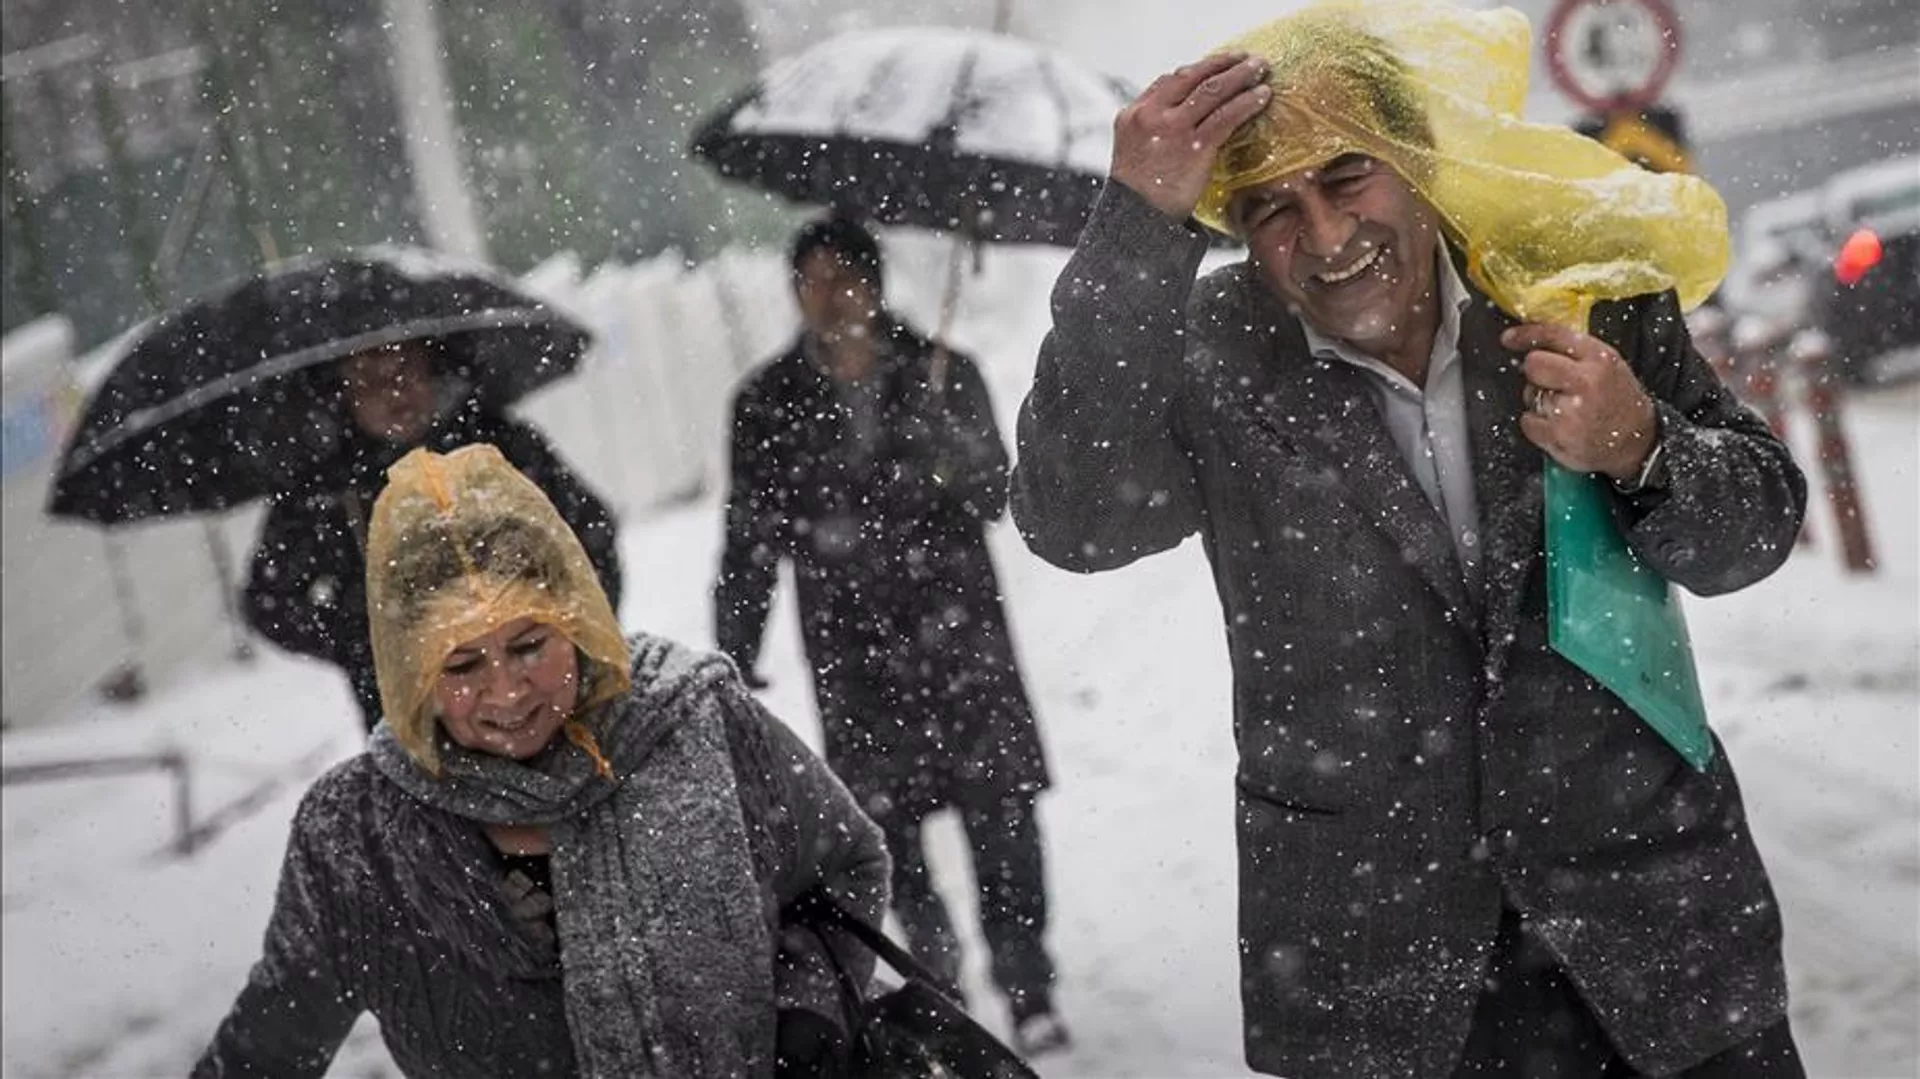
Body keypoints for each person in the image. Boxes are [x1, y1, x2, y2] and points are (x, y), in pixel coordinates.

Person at [1011, 7, 1809, 1077]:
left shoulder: (1575, 287)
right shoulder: (1206, 349)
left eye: (1348, 179)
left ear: (1415, 161)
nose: (1328, 237)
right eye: (1273, 209)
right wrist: (1134, 223)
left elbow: (1754, 531)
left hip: (1657, 935)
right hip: (1372, 974)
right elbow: (1073, 520)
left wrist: (1642, 443)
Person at [196, 443, 888, 1078]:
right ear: (411, 670)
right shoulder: (357, 835)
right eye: (461, 662)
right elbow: (268, 1046)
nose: (506, 689)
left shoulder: (693, 722)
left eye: (531, 644)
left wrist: (805, 1015)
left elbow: (844, 866)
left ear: (577, 618)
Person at [714, 217, 1068, 1052]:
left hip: (960, 638)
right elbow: (749, 536)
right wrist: (736, 645)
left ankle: (1028, 987)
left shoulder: (947, 375)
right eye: (811, 279)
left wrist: (944, 445)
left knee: (1002, 816)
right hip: (853, 646)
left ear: (875, 284)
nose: (829, 295)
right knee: (882, 833)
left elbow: (993, 496)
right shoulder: (766, 403)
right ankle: (938, 984)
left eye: (844, 276)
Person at [243, 338, 622, 731]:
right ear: (342, 391)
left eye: (406, 369)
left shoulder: (498, 444)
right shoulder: (325, 488)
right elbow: (269, 601)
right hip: (414, 725)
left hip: (548, 698)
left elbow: (591, 534)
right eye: (369, 379)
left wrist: (572, 635)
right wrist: (369, 640)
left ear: (432, 367)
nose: (395, 391)